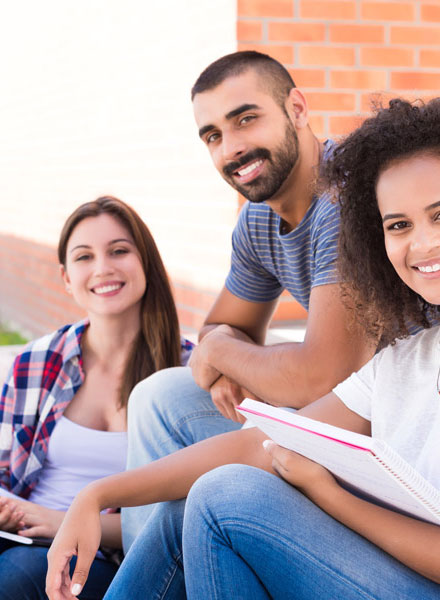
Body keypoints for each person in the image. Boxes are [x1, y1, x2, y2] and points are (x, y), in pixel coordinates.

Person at [46, 97, 440, 600]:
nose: (423, 242)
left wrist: (330, 495)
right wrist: (96, 495)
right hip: (408, 577)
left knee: (224, 499)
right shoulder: (414, 355)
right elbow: (258, 445)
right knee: (184, 509)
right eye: (398, 224)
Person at [121, 50, 375, 548]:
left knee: (204, 466)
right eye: (213, 135)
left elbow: (322, 373)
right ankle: (150, 561)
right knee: (157, 396)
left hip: (387, 424)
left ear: (297, 109)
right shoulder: (259, 222)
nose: (231, 147)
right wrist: (229, 360)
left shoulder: (348, 197)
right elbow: (215, 332)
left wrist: (225, 356)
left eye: (246, 119)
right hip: (328, 407)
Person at [0, 196, 193, 600]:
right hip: (20, 535)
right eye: (84, 256)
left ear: (146, 263)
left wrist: (62, 522)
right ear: (67, 278)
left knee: (17, 582)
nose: (103, 268)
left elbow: (181, 517)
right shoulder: (36, 361)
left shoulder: (187, 374)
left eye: (119, 251)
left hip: (110, 558)